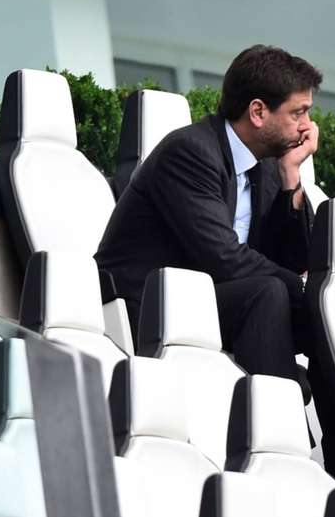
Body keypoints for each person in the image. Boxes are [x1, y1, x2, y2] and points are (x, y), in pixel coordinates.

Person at [96, 45, 321, 399]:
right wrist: (303, 290)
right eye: (299, 113)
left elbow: (292, 261)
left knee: (329, 319)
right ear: (258, 112)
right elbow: (223, 257)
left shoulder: (267, 164)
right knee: (270, 293)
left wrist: (291, 175)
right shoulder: (190, 153)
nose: (308, 127)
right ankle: (281, 429)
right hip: (149, 306)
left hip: (208, 300)